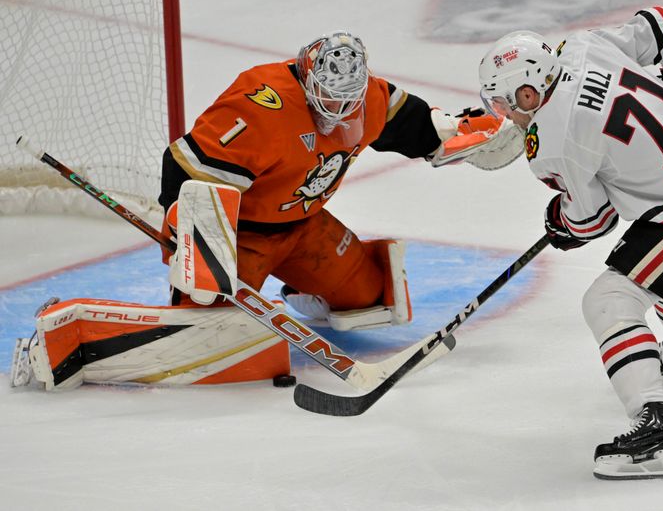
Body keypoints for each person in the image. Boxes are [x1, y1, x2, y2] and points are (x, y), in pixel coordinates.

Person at [11, 31, 511, 392]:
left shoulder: (367, 98)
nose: (340, 113)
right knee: (210, 333)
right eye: (329, 100)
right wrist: (190, 235)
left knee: (371, 299)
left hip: (304, 226)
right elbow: (185, 168)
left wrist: (461, 133)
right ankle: (65, 332)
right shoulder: (260, 105)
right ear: (310, 81)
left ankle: (298, 289)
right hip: (241, 233)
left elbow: (415, 123)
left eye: (349, 101)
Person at [476, 7, 663, 479]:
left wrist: (559, 220)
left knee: (609, 300)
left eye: (506, 103)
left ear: (528, 91)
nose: (506, 114)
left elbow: (592, 220)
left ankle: (655, 434)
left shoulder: (552, 141)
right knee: (656, 264)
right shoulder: (583, 46)